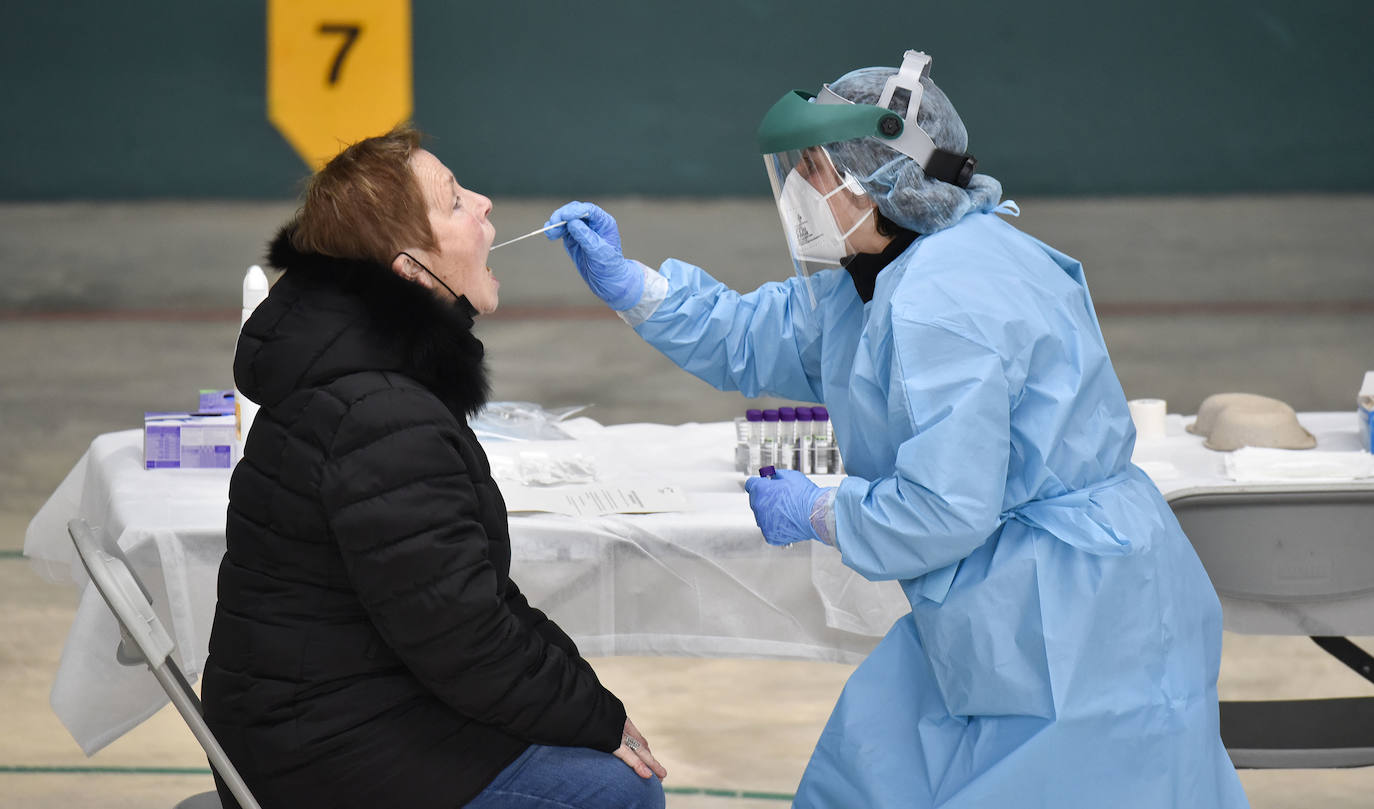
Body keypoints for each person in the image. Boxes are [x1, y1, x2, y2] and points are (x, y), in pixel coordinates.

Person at [545, 51, 1248, 808]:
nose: (801, 192)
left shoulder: (944, 303)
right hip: (1008, 611)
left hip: (1075, 625)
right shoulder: (885, 274)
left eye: (813, 171)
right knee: (868, 772)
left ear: (875, 179)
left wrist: (820, 511)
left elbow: (945, 508)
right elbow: (760, 333)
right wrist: (636, 285)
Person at [202, 124, 666, 809]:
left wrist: (593, 704)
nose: (483, 205)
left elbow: (472, 600)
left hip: (332, 716)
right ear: (410, 272)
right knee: (618, 794)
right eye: (453, 203)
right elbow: (467, 642)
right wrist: (595, 719)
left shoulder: (355, 371)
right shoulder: (380, 415)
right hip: (322, 758)